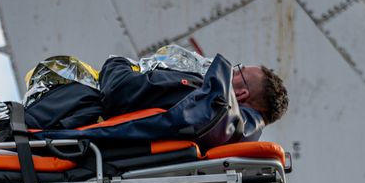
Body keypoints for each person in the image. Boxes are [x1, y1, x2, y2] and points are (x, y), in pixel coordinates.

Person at [98, 44, 289, 141]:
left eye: (238, 71)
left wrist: (120, 63)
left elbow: (119, 90)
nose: (230, 71)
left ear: (241, 94)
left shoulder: (205, 103)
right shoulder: (241, 132)